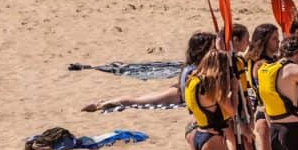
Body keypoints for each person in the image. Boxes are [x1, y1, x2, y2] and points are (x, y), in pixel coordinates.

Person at [83, 31, 215, 113]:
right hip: (179, 95)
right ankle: (103, 104)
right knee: (138, 101)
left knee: (140, 98)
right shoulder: (195, 68)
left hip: (177, 90)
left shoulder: (192, 64)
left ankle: (107, 102)